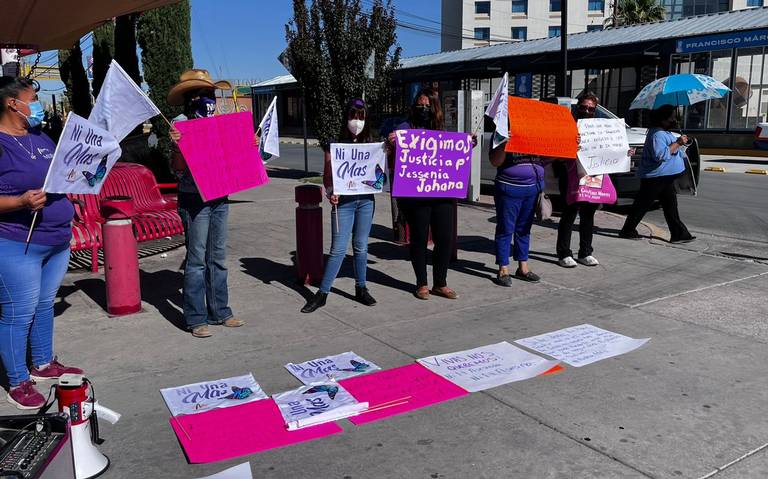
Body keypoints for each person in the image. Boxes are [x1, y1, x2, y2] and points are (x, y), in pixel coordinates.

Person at [0, 77, 82, 409]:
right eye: (32, 98)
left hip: (56, 239)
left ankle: (44, 363)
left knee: (44, 304)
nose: (36, 104)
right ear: (11, 103)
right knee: (19, 312)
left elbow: (59, 174)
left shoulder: (40, 136)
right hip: (17, 243)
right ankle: (18, 380)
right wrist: (19, 202)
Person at [167, 69, 246, 338]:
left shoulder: (219, 122)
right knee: (197, 259)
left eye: (211, 93)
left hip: (220, 196)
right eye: (204, 94)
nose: (209, 99)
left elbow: (236, 158)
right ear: (191, 98)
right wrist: (177, 146)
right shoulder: (180, 125)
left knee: (218, 257)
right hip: (194, 200)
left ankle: (220, 311)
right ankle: (195, 317)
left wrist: (249, 143)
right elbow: (177, 171)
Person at [388, 89, 473, 300]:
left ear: (435, 108)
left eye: (428, 106)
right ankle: (422, 283)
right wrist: (391, 143)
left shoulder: (442, 132)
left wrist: (468, 144)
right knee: (419, 239)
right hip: (416, 197)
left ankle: (440, 283)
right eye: (420, 105)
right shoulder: (405, 129)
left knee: (444, 239)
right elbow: (392, 157)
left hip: (442, 195)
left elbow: (455, 153)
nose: (423, 109)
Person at [302, 99, 378, 313]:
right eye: (353, 116)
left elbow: (381, 165)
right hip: (343, 202)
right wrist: (329, 192)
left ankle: (361, 287)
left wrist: (390, 145)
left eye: (361, 117)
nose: (357, 121)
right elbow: (328, 174)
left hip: (366, 200)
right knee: (337, 249)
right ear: (346, 118)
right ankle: (323, 293)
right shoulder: (334, 143)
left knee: (362, 246)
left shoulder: (372, 143)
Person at [555, 92, 617, 268]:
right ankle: (564, 253)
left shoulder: (600, 129)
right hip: (570, 175)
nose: (587, 111)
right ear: (577, 107)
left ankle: (585, 252)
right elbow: (557, 154)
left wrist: (623, 154)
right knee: (569, 214)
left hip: (593, 176)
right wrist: (571, 144)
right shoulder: (567, 126)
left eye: (591, 108)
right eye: (583, 107)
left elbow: (610, 149)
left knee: (588, 215)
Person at [619, 105, 695, 243]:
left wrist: (681, 144)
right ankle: (628, 230)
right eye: (671, 117)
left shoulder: (663, 132)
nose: (674, 120)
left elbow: (672, 151)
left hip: (664, 177)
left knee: (670, 205)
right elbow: (661, 155)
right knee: (642, 205)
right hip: (656, 177)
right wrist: (677, 143)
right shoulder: (657, 134)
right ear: (663, 119)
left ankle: (679, 234)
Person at [488, 123, 548, 286]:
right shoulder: (500, 132)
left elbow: (546, 158)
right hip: (509, 189)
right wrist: (504, 142)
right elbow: (495, 161)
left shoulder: (534, 132)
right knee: (506, 228)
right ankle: (503, 268)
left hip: (532, 189)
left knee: (524, 229)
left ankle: (523, 267)